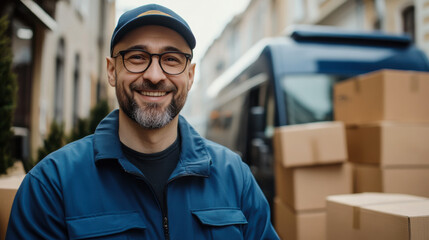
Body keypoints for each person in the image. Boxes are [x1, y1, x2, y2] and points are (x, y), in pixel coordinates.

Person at [6, 4, 279, 239]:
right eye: (137, 57)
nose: (155, 75)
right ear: (112, 70)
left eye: (172, 59)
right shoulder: (51, 185)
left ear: (191, 75)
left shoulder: (236, 178)